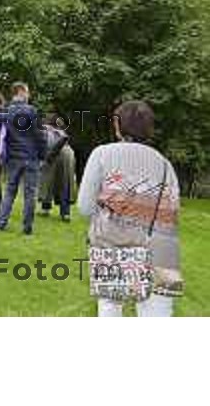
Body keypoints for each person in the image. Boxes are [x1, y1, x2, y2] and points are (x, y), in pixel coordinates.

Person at [78, 100, 183, 317]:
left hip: (112, 245)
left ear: (118, 126)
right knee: (157, 315)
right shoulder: (165, 164)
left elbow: (85, 207)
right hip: (161, 252)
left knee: (110, 309)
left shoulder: (102, 154)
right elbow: (173, 212)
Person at [0, 82, 47, 235]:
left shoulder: (7, 112)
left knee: (10, 191)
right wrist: (43, 155)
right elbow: (40, 136)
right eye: (27, 92)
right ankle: (27, 227)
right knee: (30, 194)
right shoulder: (32, 111)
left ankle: (1, 222)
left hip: (13, 158)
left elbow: (2, 136)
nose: (29, 95)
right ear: (21, 91)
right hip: (31, 157)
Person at [39, 115, 76, 221]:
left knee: (49, 182)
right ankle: (65, 213)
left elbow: (51, 147)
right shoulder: (62, 131)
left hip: (58, 154)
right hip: (68, 154)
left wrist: (45, 161)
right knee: (65, 183)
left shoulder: (49, 131)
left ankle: (47, 210)